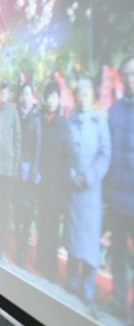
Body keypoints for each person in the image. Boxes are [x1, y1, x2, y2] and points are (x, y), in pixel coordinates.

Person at [65, 78, 111, 303]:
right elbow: (65, 152)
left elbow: (105, 154)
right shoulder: (71, 121)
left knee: (89, 241)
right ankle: (72, 283)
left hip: (91, 191)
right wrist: (72, 175)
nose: (82, 98)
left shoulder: (99, 121)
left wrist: (89, 177)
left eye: (86, 94)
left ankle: (88, 289)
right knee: (73, 237)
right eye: (79, 94)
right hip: (74, 188)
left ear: (92, 96)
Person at [106, 57, 134, 323]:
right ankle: (118, 301)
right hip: (117, 197)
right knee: (118, 253)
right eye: (126, 73)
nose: (130, 78)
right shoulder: (114, 112)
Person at [36, 81, 70, 282]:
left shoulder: (63, 124)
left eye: (54, 96)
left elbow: (67, 155)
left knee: (53, 226)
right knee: (43, 222)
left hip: (56, 184)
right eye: (49, 96)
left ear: (58, 100)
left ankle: (50, 267)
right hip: (42, 181)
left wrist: (64, 182)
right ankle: (41, 260)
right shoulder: (41, 121)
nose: (51, 100)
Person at [0, 82, 22, 258]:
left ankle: (3, 247)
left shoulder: (13, 112)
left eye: (5, 92)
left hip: (7, 171)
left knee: (5, 211)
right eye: (1, 92)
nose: (3, 94)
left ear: (8, 94)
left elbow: (18, 139)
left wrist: (15, 164)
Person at [15, 82, 42, 266]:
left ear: (32, 97)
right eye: (23, 94)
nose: (25, 97)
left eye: (28, 94)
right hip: (17, 171)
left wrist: (33, 172)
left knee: (26, 214)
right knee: (18, 213)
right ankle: (18, 248)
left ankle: (23, 253)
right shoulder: (17, 115)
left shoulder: (36, 118)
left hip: (30, 174)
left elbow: (38, 148)